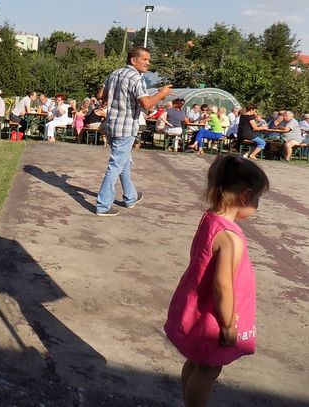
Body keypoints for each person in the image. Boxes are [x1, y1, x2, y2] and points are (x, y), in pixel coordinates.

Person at [165, 155, 269, 407]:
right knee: (209, 369)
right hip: (214, 315)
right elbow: (222, 286)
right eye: (257, 198)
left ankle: (187, 400)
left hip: (198, 305)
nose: (257, 204)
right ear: (245, 196)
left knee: (196, 360)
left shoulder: (210, 219)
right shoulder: (229, 238)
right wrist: (229, 324)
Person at [96, 46, 172, 216]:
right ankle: (103, 205)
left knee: (123, 162)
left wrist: (115, 96)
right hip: (126, 127)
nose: (148, 62)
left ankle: (130, 197)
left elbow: (101, 95)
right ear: (133, 60)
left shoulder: (114, 73)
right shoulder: (136, 78)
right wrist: (162, 93)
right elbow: (147, 104)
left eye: (148, 59)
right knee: (116, 165)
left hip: (112, 125)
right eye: (144, 59)